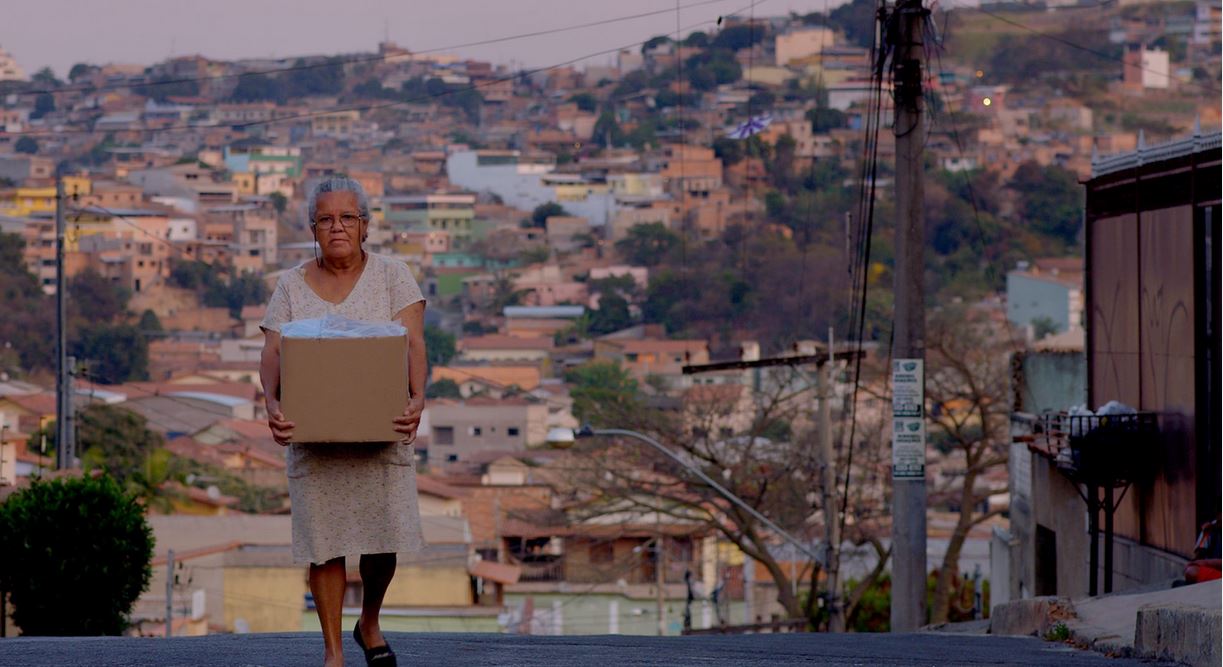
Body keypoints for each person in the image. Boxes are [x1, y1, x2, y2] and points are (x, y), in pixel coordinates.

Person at [260, 176, 426, 667]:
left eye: (347, 218)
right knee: (324, 546)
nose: (337, 227)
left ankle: (368, 621)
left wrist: (419, 398)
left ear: (365, 226)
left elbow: (414, 343)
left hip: (382, 433)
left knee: (383, 540)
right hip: (316, 441)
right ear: (313, 228)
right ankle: (334, 652)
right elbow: (271, 352)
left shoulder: (395, 276)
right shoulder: (290, 285)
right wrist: (271, 404)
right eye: (326, 219)